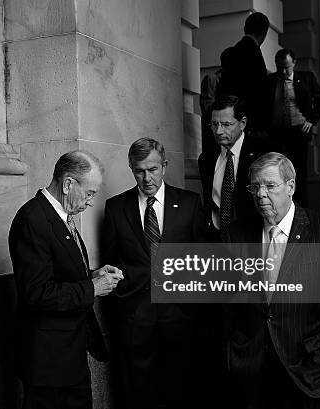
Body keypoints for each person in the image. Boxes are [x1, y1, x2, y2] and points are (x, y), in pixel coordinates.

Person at [226, 152, 320, 409]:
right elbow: (226, 301)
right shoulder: (236, 234)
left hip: (309, 368)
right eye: (255, 186)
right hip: (251, 367)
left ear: (291, 186)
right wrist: (233, 350)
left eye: (270, 185)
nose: (261, 194)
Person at [102, 138, 213, 409]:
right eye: (139, 170)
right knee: (138, 392)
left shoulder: (189, 203)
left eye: (152, 169)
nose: (147, 178)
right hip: (135, 318)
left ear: (164, 166)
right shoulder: (116, 208)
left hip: (180, 315)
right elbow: (110, 260)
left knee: (180, 388)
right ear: (131, 169)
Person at [9, 151, 123, 409]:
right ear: (69, 184)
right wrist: (92, 288)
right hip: (48, 364)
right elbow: (36, 293)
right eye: (90, 193)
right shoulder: (33, 219)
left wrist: (93, 274)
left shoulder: (61, 216)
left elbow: (59, 273)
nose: (91, 201)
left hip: (69, 356)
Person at [199, 95, 268, 241]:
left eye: (226, 124)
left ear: (242, 123)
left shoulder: (261, 155)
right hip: (216, 240)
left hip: (253, 241)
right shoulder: (206, 159)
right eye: (214, 124)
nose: (218, 131)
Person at [266, 48, 320, 205]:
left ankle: (300, 209)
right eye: (280, 67)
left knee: (298, 173)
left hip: (299, 132)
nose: (283, 71)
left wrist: (311, 120)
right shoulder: (271, 81)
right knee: (278, 174)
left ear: (294, 63)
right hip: (278, 134)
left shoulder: (306, 78)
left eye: (287, 67)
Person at [218, 12, 270, 135]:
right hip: (248, 124)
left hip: (228, 118)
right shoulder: (255, 56)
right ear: (264, 34)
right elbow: (259, 95)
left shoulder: (228, 54)